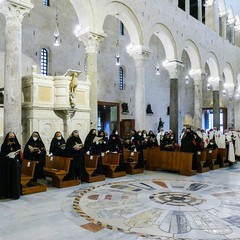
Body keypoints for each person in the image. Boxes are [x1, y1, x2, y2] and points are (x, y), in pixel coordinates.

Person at [0, 132, 22, 199]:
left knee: (15, 179)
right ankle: (7, 194)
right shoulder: (4, 145)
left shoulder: (17, 145)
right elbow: (2, 155)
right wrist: (7, 156)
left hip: (15, 166)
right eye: (10, 137)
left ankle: (15, 194)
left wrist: (18, 153)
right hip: (7, 166)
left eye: (13, 136)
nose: (12, 138)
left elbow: (19, 155)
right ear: (7, 137)